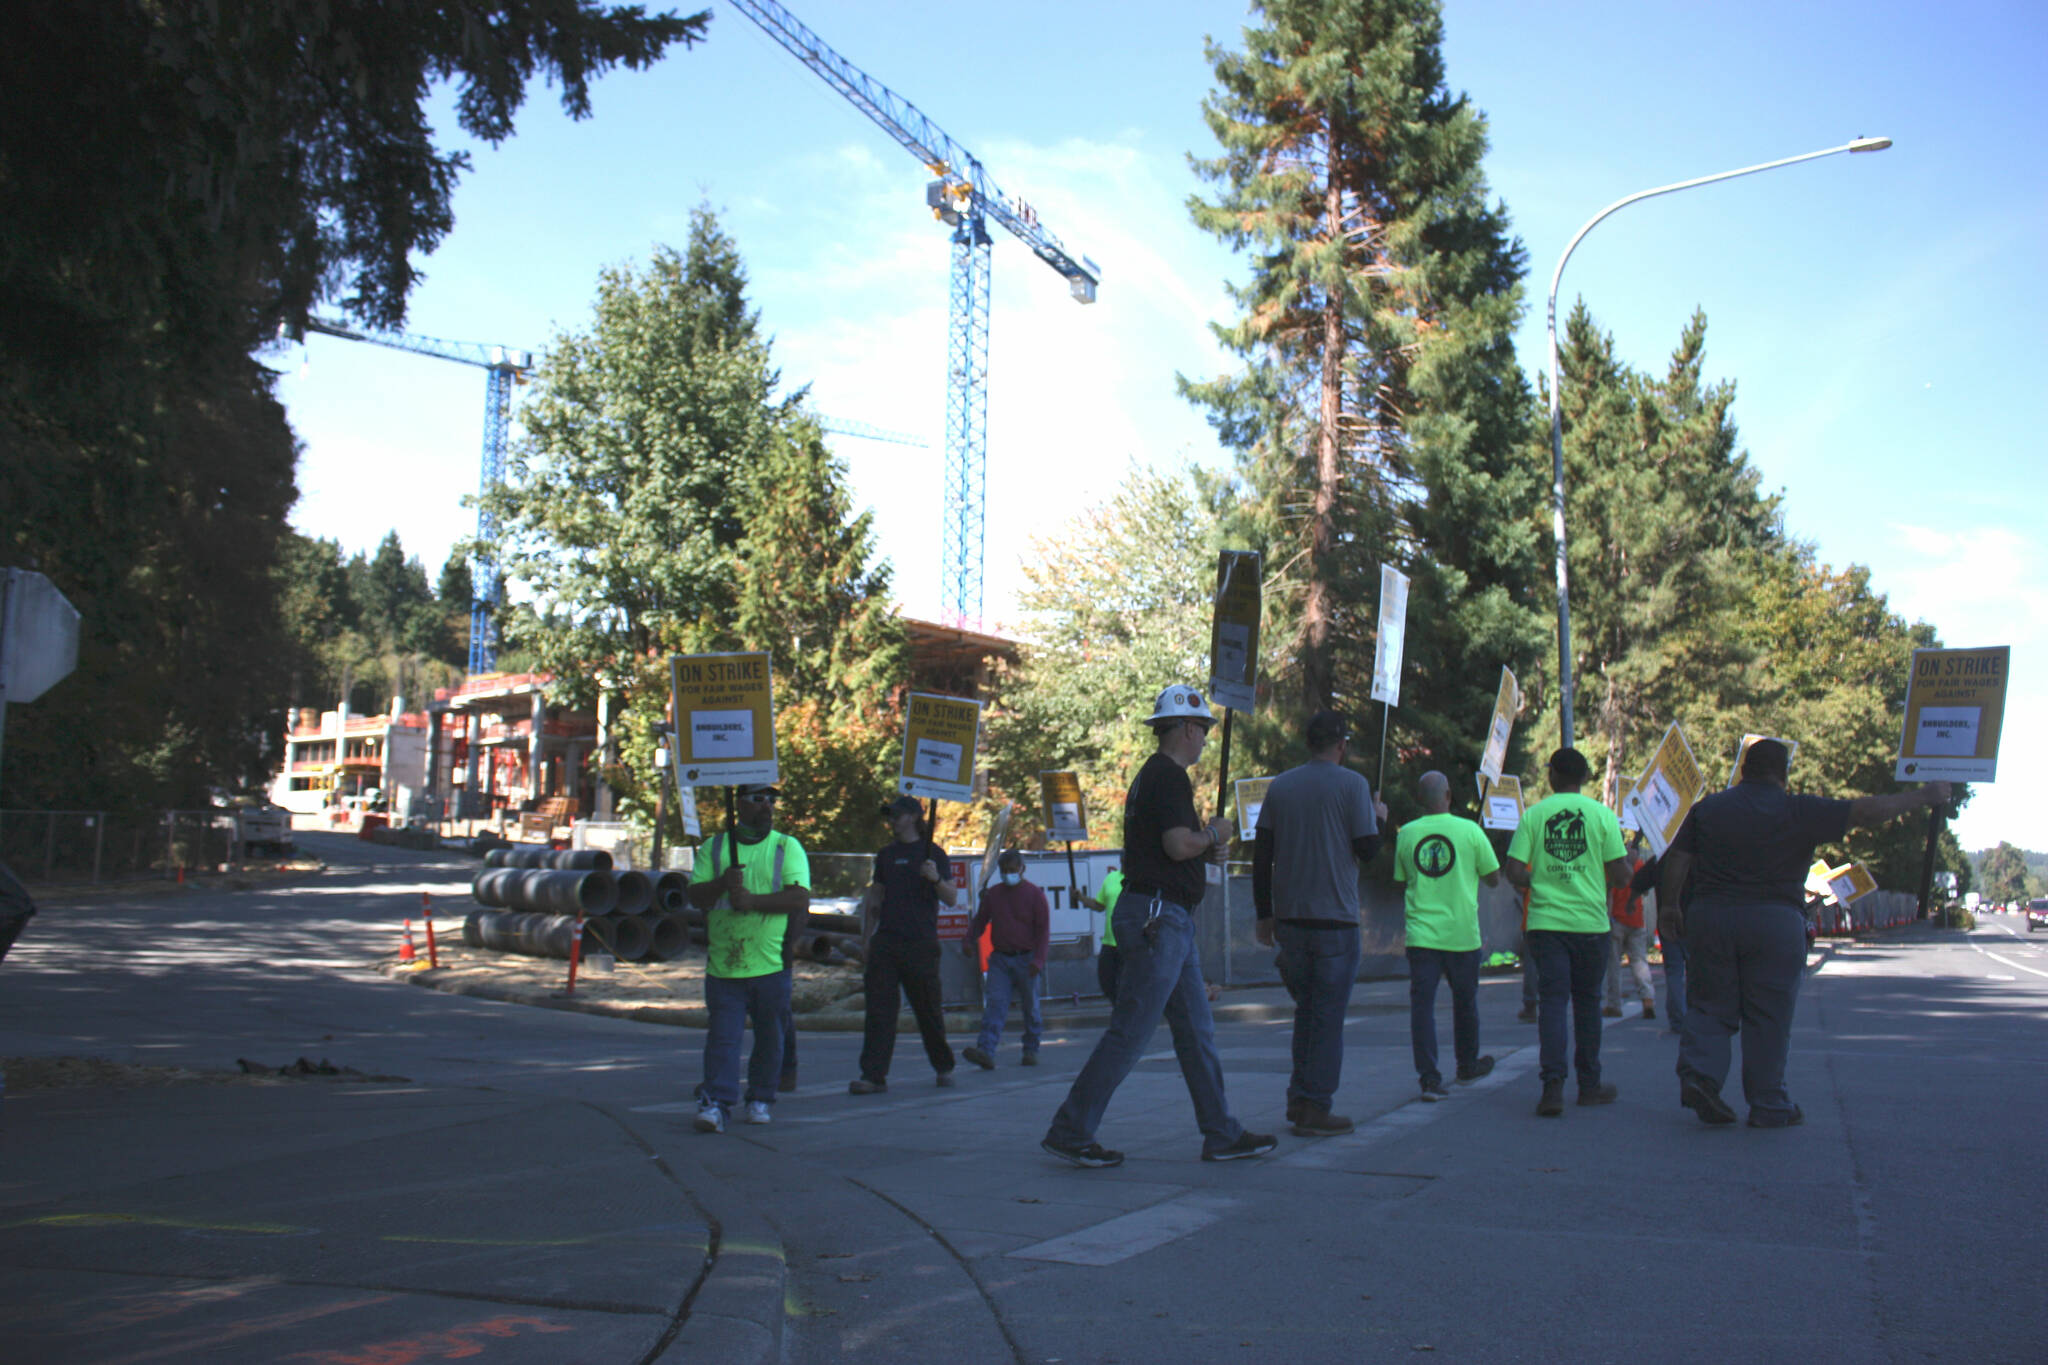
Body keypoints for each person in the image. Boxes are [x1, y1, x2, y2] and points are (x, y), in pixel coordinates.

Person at [1041, 685, 1275, 1168]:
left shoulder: (1152, 778)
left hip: (1164, 918)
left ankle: (1222, 1133)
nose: (1206, 741)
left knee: (1196, 1031)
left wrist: (1205, 844)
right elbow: (1174, 845)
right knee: (1131, 1031)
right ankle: (1071, 1129)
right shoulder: (1169, 778)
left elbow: (1170, 846)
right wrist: (1214, 834)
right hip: (1159, 918)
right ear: (1188, 728)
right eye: (1203, 732)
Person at [1663, 741, 1951, 1128]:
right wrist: (1924, 795)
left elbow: (1677, 858)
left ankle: (1700, 1076)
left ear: (1745, 769)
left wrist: (1669, 906)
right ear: (1784, 773)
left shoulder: (1709, 808)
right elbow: (1866, 812)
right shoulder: (1799, 809)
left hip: (1712, 917)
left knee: (1710, 1004)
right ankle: (1768, 1103)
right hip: (1775, 921)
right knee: (1769, 1014)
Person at [1252, 709, 1385, 1136]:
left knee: (1307, 1012)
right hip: (1335, 920)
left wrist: (1264, 913)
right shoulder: (1354, 785)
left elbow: (1262, 854)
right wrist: (1379, 817)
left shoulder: (1282, 786)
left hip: (1290, 919)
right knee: (1326, 1019)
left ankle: (1300, 1097)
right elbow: (1368, 850)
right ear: (1342, 744)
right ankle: (1315, 1106)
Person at [1504, 748, 1631, 1117]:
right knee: (1588, 1003)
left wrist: (1539, 881)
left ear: (1553, 775)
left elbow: (1513, 871)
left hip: (1546, 925)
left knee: (1553, 1004)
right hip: (1591, 925)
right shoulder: (1603, 816)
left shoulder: (1535, 815)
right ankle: (1589, 1085)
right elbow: (1622, 875)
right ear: (1585, 777)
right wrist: (1593, 876)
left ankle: (1552, 1088)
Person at [686, 784, 810, 1133]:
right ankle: (715, 1102)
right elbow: (696, 895)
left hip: (770, 964)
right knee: (724, 1037)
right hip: (725, 964)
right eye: (758, 799)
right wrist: (723, 883)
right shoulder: (714, 847)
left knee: (770, 1036)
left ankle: (761, 1097)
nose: (767, 806)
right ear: (739, 803)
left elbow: (799, 897)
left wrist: (753, 901)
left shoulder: (787, 847)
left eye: (772, 800)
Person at [1393, 770, 1500, 1101]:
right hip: (1462, 934)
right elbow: (1494, 878)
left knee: (1422, 1008)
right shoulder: (1470, 831)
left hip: (1422, 936)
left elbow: (1401, 880)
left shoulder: (1407, 834)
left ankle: (1429, 1077)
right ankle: (1467, 1064)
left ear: (1418, 799)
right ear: (1449, 795)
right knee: (1465, 1002)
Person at [851, 795, 959, 1093]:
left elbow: (951, 897)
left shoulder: (933, 854)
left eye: (896, 815)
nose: (891, 821)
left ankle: (943, 1065)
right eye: (889, 816)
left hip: (920, 943)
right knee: (879, 1011)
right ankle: (873, 1075)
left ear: (913, 817)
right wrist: (866, 938)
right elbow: (876, 898)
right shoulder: (885, 855)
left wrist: (935, 879)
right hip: (886, 941)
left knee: (928, 1010)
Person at [961, 849, 1051, 1068]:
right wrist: (968, 941)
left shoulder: (1035, 895)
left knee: (1031, 1007)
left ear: (1022, 869)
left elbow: (1043, 931)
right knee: (995, 1004)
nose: (1009, 874)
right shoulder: (994, 894)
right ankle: (986, 1050)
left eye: (1013, 870)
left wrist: (1038, 960)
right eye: (1004, 870)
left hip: (1026, 958)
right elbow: (980, 920)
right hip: (1000, 958)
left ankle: (1031, 1049)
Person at [1603, 840, 1656, 1019]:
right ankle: (1647, 999)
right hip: (1636, 920)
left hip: (1617, 919)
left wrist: (1607, 917)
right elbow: (1645, 891)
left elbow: (1609, 893)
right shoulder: (1639, 865)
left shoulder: (1614, 870)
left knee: (1614, 965)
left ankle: (1614, 1004)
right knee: (1640, 962)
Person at [1083, 866, 1125, 1001]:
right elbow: (1099, 905)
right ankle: (1119, 1012)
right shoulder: (1111, 878)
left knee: (1129, 987)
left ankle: (1126, 1016)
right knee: (1107, 983)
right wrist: (1080, 897)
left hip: (1130, 943)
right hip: (1110, 942)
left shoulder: (1140, 880)